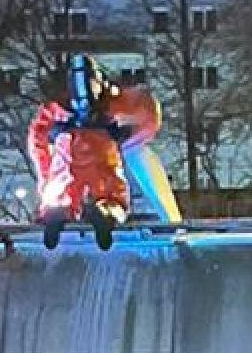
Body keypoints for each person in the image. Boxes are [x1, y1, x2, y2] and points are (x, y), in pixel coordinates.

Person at [27, 57, 164, 249]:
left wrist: (45, 176)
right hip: (101, 160)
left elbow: (37, 140)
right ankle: (104, 212)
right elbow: (150, 116)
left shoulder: (56, 111)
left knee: (62, 196)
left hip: (68, 162)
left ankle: (58, 213)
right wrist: (128, 138)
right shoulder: (112, 104)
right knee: (113, 198)